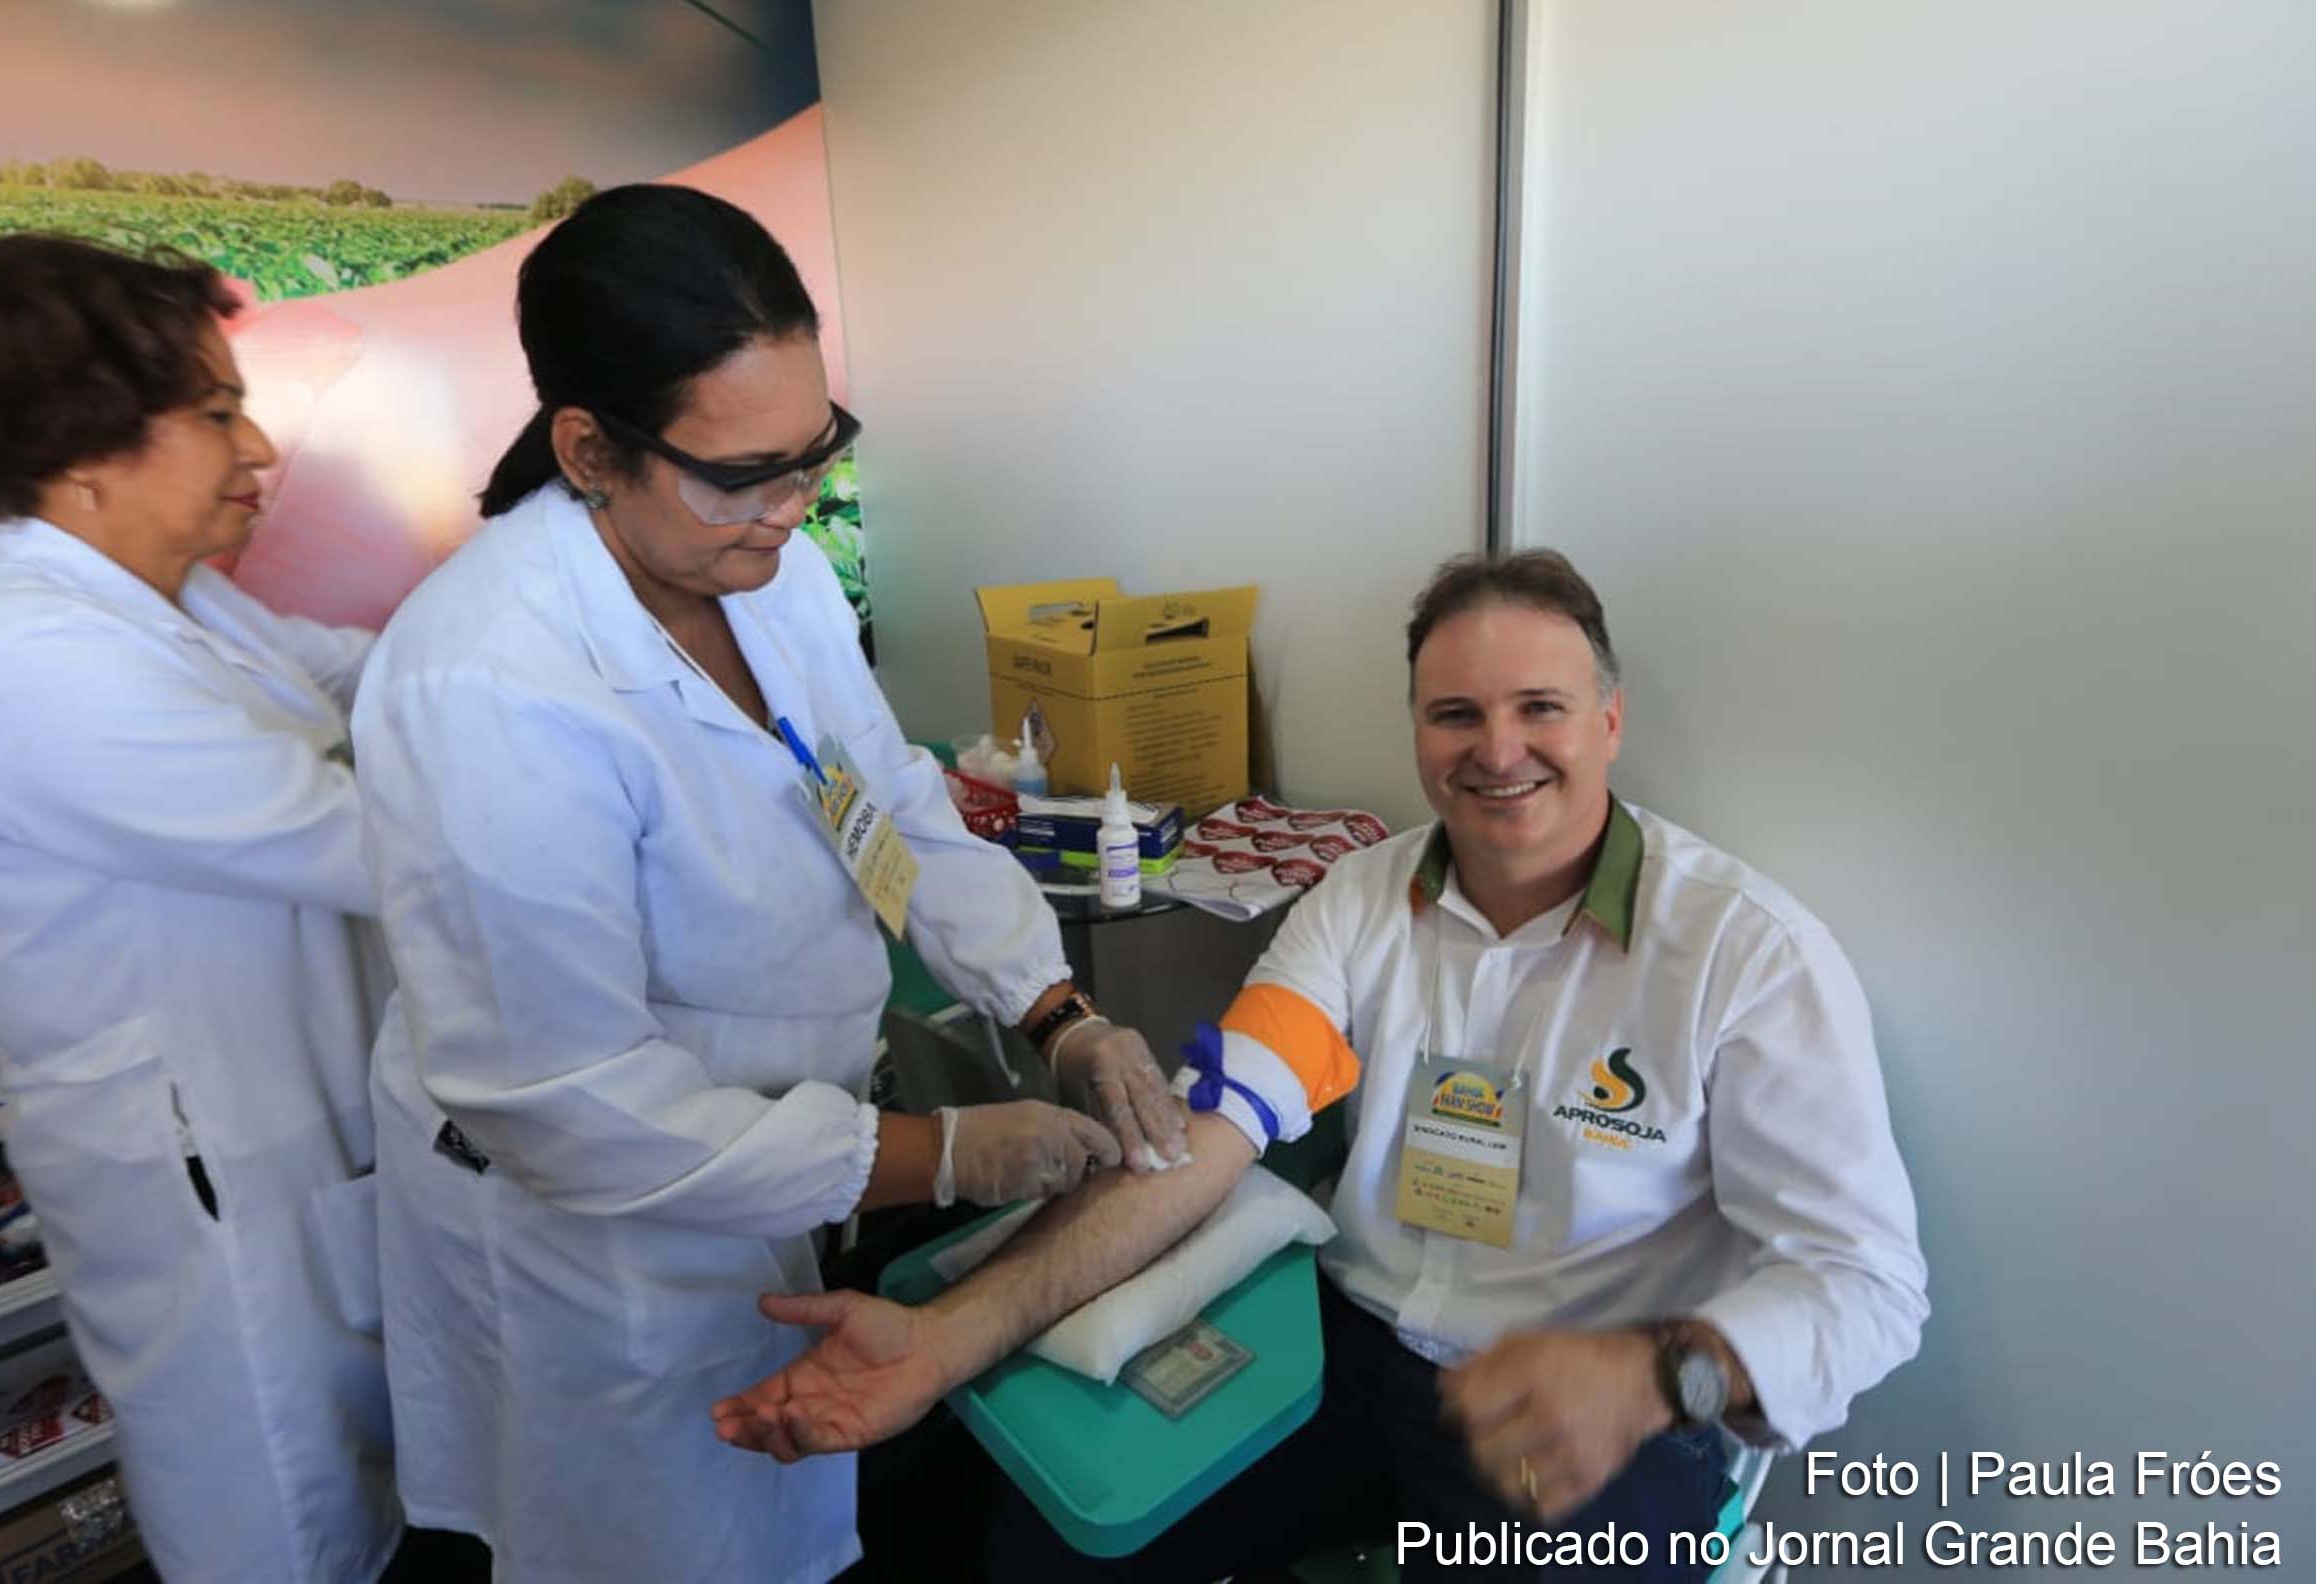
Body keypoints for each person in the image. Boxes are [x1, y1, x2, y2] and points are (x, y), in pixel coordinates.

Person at [715, 549, 1929, 1582]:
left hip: (1586, 1407)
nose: (1498, 749)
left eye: (1541, 708)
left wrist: (1663, 1379)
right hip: (1346, 1356)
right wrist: (943, 1341)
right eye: (1456, 714)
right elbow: (1206, 1139)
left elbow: (1866, 1285)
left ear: (1608, 721)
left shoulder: (1743, 956)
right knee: (1048, 1547)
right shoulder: (1360, 901)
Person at [349, 183, 1188, 1583]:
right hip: (591, 1243)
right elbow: (568, 1102)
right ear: (590, 448)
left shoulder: (767, 576)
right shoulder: (487, 686)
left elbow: (887, 809)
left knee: (784, 1503)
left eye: (815, 457)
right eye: (745, 474)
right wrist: (939, 1154)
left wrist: (1057, 1014)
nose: (793, 509)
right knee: (655, 1541)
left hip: (768, 1168)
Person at [0, 237, 398, 1582]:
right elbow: (373, 846)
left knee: (362, 1484)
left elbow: (379, 676)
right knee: (278, 1520)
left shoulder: (168, 603)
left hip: (292, 1134)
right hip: (207, 1185)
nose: (260, 449)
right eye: (217, 412)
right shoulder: (23, 655)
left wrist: (528, 642)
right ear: (83, 449)